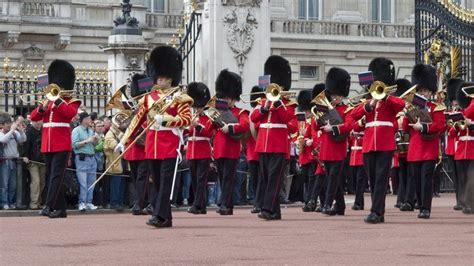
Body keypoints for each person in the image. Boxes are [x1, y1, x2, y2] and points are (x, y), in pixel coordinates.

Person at [116, 45, 192, 228]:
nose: (160, 80)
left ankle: (159, 215)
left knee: (165, 184)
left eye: (164, 77)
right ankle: (166, 218)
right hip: (152, 145)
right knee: (157, 183)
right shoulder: (149, 98)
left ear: (171, 77)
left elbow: (186, 119)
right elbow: (135, 121)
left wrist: (165, 120)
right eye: (158, 76)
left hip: (169, 144)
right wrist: (124, 140)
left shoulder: (179, 97)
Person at [350, 58, 405, 223]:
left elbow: (401, 104)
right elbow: (354, 115)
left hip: (385, 144)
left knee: (381, 179)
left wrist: (385, 96)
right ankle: (379, 212)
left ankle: (375, 211)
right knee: (373, 180)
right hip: (368, 145)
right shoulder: (368, 103)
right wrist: (372, 101)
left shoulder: (390, 102)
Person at [30, 59, 81, 218]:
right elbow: (33, 117)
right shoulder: (47, 101)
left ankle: (49, 205)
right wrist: (42, 107)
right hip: (47, 143)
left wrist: (57, 99)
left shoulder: (71, 101)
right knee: (51, 175)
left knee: (56, 176)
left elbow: (70, 114)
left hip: (61, 143)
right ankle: (60, 209)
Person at [250, 55, 297, 220]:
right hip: (263, 144)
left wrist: (278, 104)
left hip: (278, 145)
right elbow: (254, 118)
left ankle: (267, 209)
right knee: (266, 177)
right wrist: (264, 108)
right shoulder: (262, 101)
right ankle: (275, 211)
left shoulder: (289, 104)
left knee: (274, 179)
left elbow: (288, 121)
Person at [402, 64, 446, 219]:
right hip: (415, 149)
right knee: (417, 180)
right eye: (420, 91)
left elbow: (441, 126)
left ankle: (426, 208)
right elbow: (405, 128)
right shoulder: (412, 107)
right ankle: (420, 205)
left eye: (425, 91)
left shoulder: (436, 108)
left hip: (429, 149)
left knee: (426, 180)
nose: (423, 93)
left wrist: (424, 126)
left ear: (430, 91)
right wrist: (407, 114)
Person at [211, 69, 250, 215]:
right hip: (219, 149)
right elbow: (210, 128)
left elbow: (245, 125)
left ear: (234, 98)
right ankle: (228, 205)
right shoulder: (219, 112)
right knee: (222, 178)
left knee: (228, 178)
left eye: (229, 98)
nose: (226, 100)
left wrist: (231, 127)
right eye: (225, 97)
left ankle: (225, 205)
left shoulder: (240, 112)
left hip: (231, 150)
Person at [185, 82, 213, 214]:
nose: (197, 109)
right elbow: (186, 133)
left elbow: (208, 132)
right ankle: (201, 206)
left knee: (201, 180)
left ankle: (197, 205)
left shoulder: (209, 118)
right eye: (196, 107)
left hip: (203, 151)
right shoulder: (192, 117)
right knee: (195, 180)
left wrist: (196, 126)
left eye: (199, 107)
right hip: (192, 151)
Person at [453, 83, 474, 214]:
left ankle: (470, 203)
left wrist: (470, 124)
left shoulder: (469, 110)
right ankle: (464, 202)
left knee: (471, 178)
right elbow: (452, 134)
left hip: (472, 150)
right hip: (461, 151)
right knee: (463, 178)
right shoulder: (461, 113)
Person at [72, 112, 98, 212]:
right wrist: (88, 140)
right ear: (82, 119)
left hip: (92, 158)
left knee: (92, 182)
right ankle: (82, 202)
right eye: (87, 118)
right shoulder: (76, 131)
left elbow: (94, 145)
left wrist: (95, 140)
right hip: (82, 158)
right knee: (83, 183)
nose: (89, 120)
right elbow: (74, 145)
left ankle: (89, 202)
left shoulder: (91, 130)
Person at [0, 113, 27, 209]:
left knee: (13, 185)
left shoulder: (14, 133)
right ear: (1, 125)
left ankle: (10, 202)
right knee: (4, 185)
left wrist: (21, 131)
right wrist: (12, 130)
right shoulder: (2, 133)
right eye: (6, 123)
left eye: (9, 123)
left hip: (14, 162)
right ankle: (4, 203)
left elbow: (23, 139)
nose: (8, 125)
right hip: (4, 162)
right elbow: (3, 140)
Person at [446, 78, 464, 210]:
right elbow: (450, 133)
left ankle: (465, 199)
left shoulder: (465, 113)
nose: (455, 102)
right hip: (452, 149)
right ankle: (459, 200)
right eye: (454, 100)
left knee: (464, 176)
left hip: (462, 148)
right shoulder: (450, 114)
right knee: (456, 178)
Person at [104, 113, 127, 211]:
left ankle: (120, 201)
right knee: (115, 185)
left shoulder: (118, 133)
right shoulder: (110, 134)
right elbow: (114, 145)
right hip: (114, 162)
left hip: (121, 161)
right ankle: (114, 202)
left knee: (121, 184)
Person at [23, 120, 45, 210]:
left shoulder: (43, 130)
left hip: (43, 161)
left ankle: (39, 202)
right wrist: (25, 156)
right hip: (33, 161)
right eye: (37, 121)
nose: (39, 123)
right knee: (36, 182)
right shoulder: (29, 131)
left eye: (40, 121)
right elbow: (26, 145)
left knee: (42, 183)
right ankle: (34, 203)